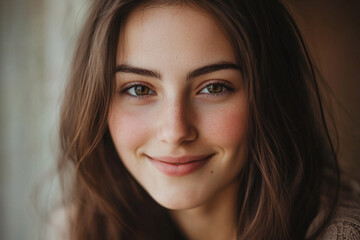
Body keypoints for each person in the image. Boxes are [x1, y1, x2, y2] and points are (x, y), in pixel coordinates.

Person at [57, 0, 360, 239]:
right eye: (139, 89)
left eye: (214, 88)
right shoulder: (78, 230)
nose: (175, 132)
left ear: (271, 97)